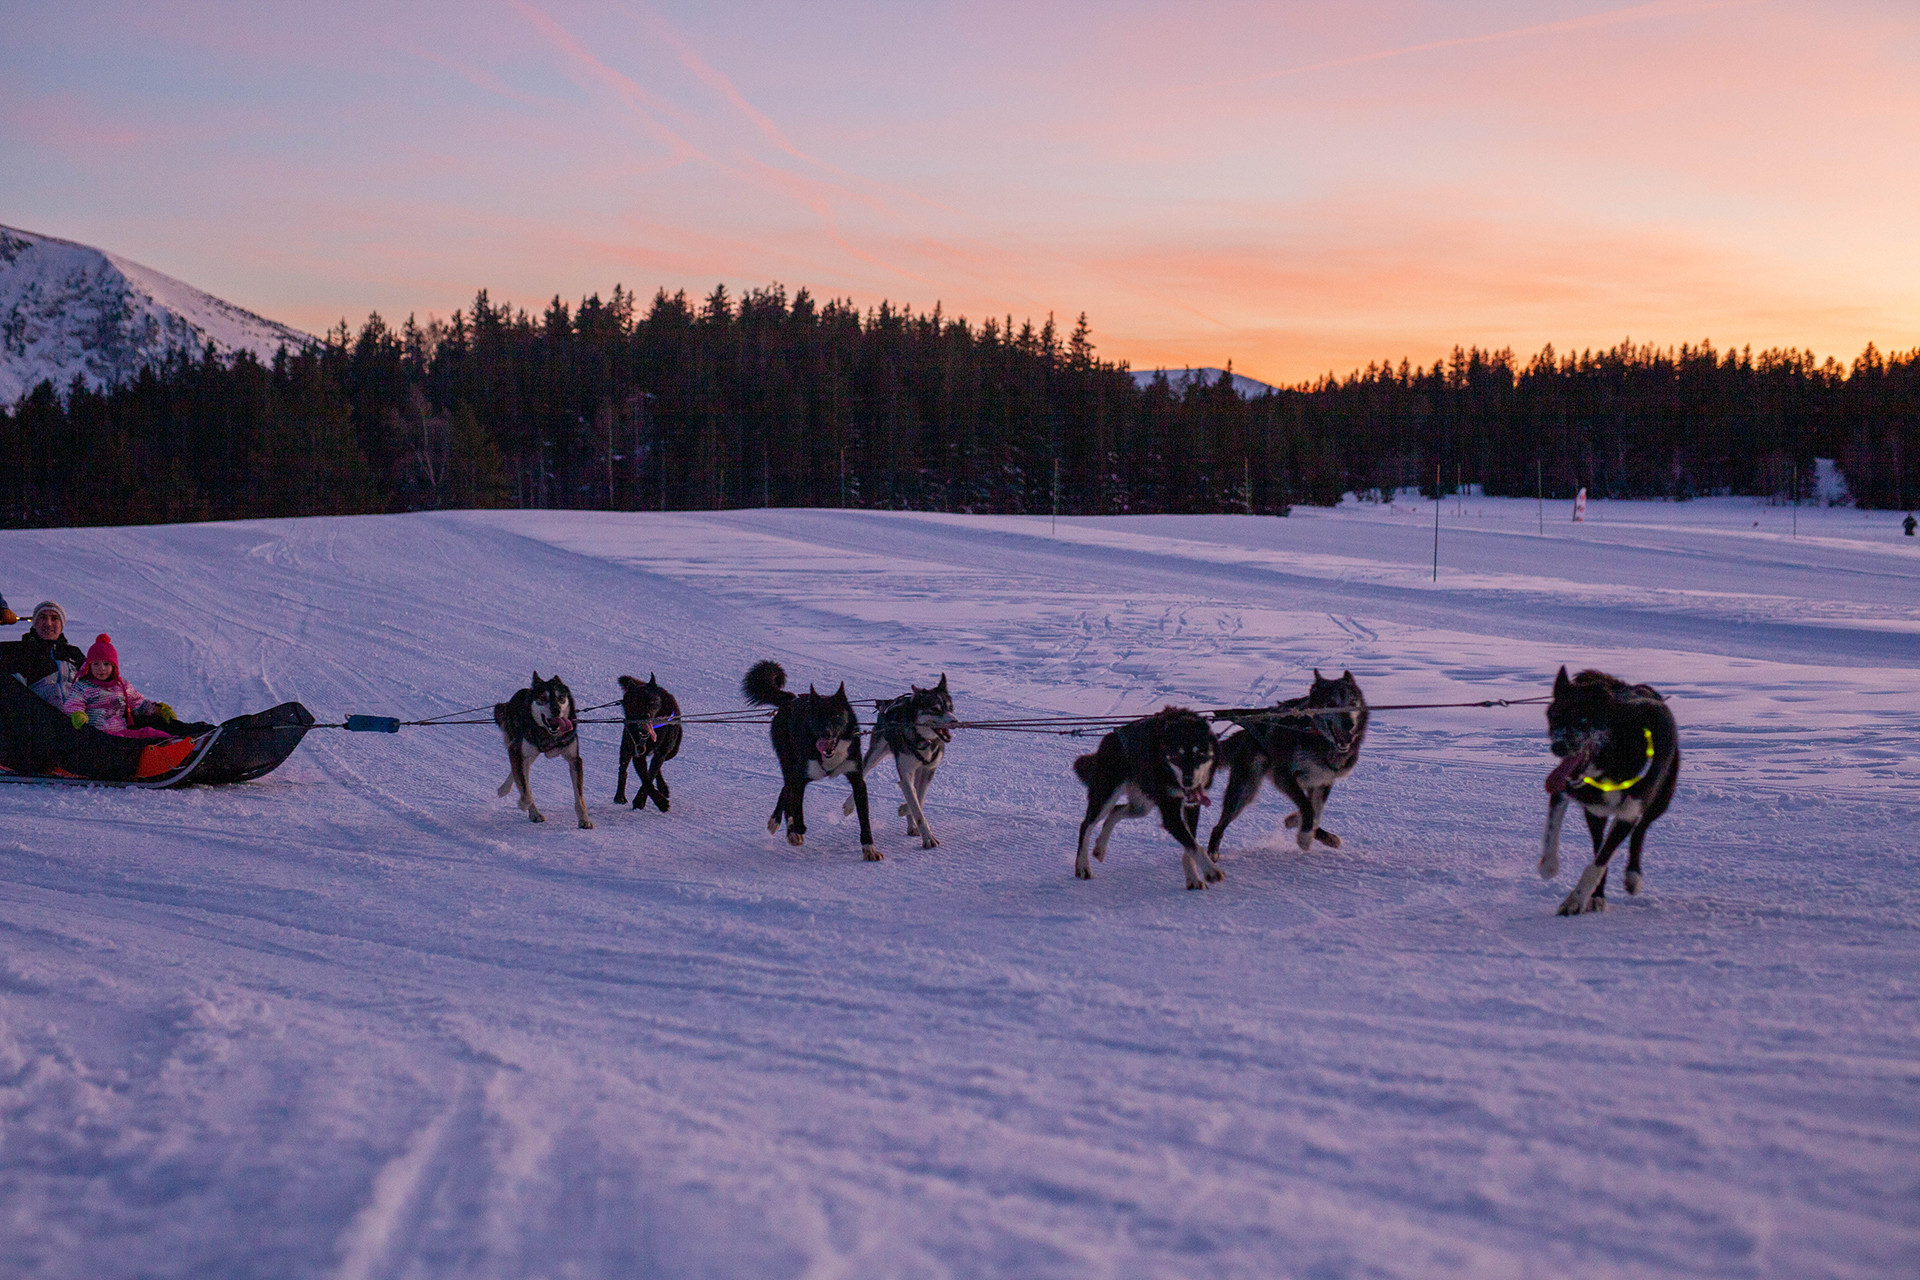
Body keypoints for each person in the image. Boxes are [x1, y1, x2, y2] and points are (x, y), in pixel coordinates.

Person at [61, 635, 179, 740]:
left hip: (122, 731)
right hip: (99, 736)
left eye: (106, 664)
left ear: (114, 666)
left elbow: (139, 705)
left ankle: (171, 744)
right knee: (126, 742)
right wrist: (78, 714)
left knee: (147, 732)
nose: (101, 668)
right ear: (88, 666)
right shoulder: (82, 687)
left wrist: (158, 709)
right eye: (96, 664)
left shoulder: (122, 686)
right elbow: (73, 704)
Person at [0, 601, 86, 707]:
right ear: (35, 623)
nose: (48, 623)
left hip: (75, 718)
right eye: (42, 617)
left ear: (61, 625)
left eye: (54, 618)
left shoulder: (74, 653)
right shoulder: (18, 652)